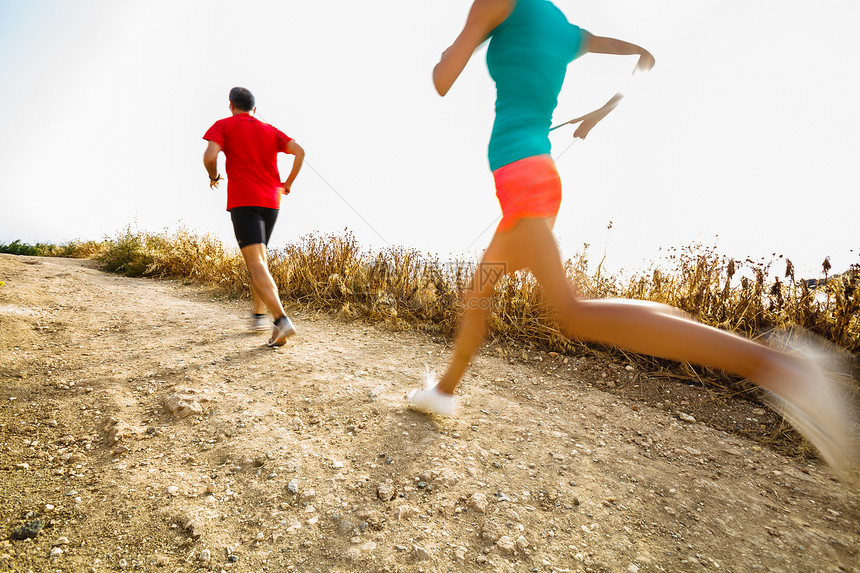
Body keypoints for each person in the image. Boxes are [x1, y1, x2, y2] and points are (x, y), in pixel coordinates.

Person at [407, 0, 857, 476]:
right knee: (480, 291)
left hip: (522, 177)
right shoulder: (567, 29)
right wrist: (598, 114)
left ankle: (779, 367)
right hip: (535, 178)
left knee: (570, 311)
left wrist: (463, 39)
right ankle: (444, 392)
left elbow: (442, 79)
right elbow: (645, 56)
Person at [203, 87, 304, 347]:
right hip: (271, 202)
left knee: (256, 262)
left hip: (244, 200)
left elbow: (210, 156)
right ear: (254, 109)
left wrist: (213, 176)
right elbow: (300, 152)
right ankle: (259, 315)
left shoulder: (224, 125)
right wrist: (288, 183)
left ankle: (281, 321)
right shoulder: (269, 129)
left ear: (231, 105)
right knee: (259, 260)